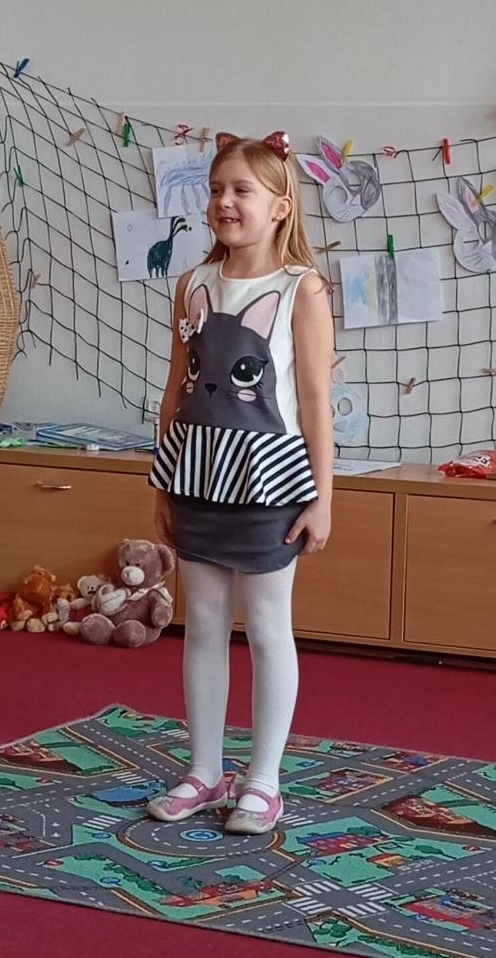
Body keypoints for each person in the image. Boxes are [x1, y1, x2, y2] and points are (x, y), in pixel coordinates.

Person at [146, 131, 334, 835]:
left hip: (269, 484)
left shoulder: (301, 289)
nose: (225, 202)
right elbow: (176, 388)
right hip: (196, 475)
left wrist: (322, 498)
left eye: (241, 191)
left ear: (280, 207)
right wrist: (163, 481)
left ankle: (263, 780)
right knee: (201, 626)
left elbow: (314, 402)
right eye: (217, 189)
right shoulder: (193, 283)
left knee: (265, 627)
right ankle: (204, 770)